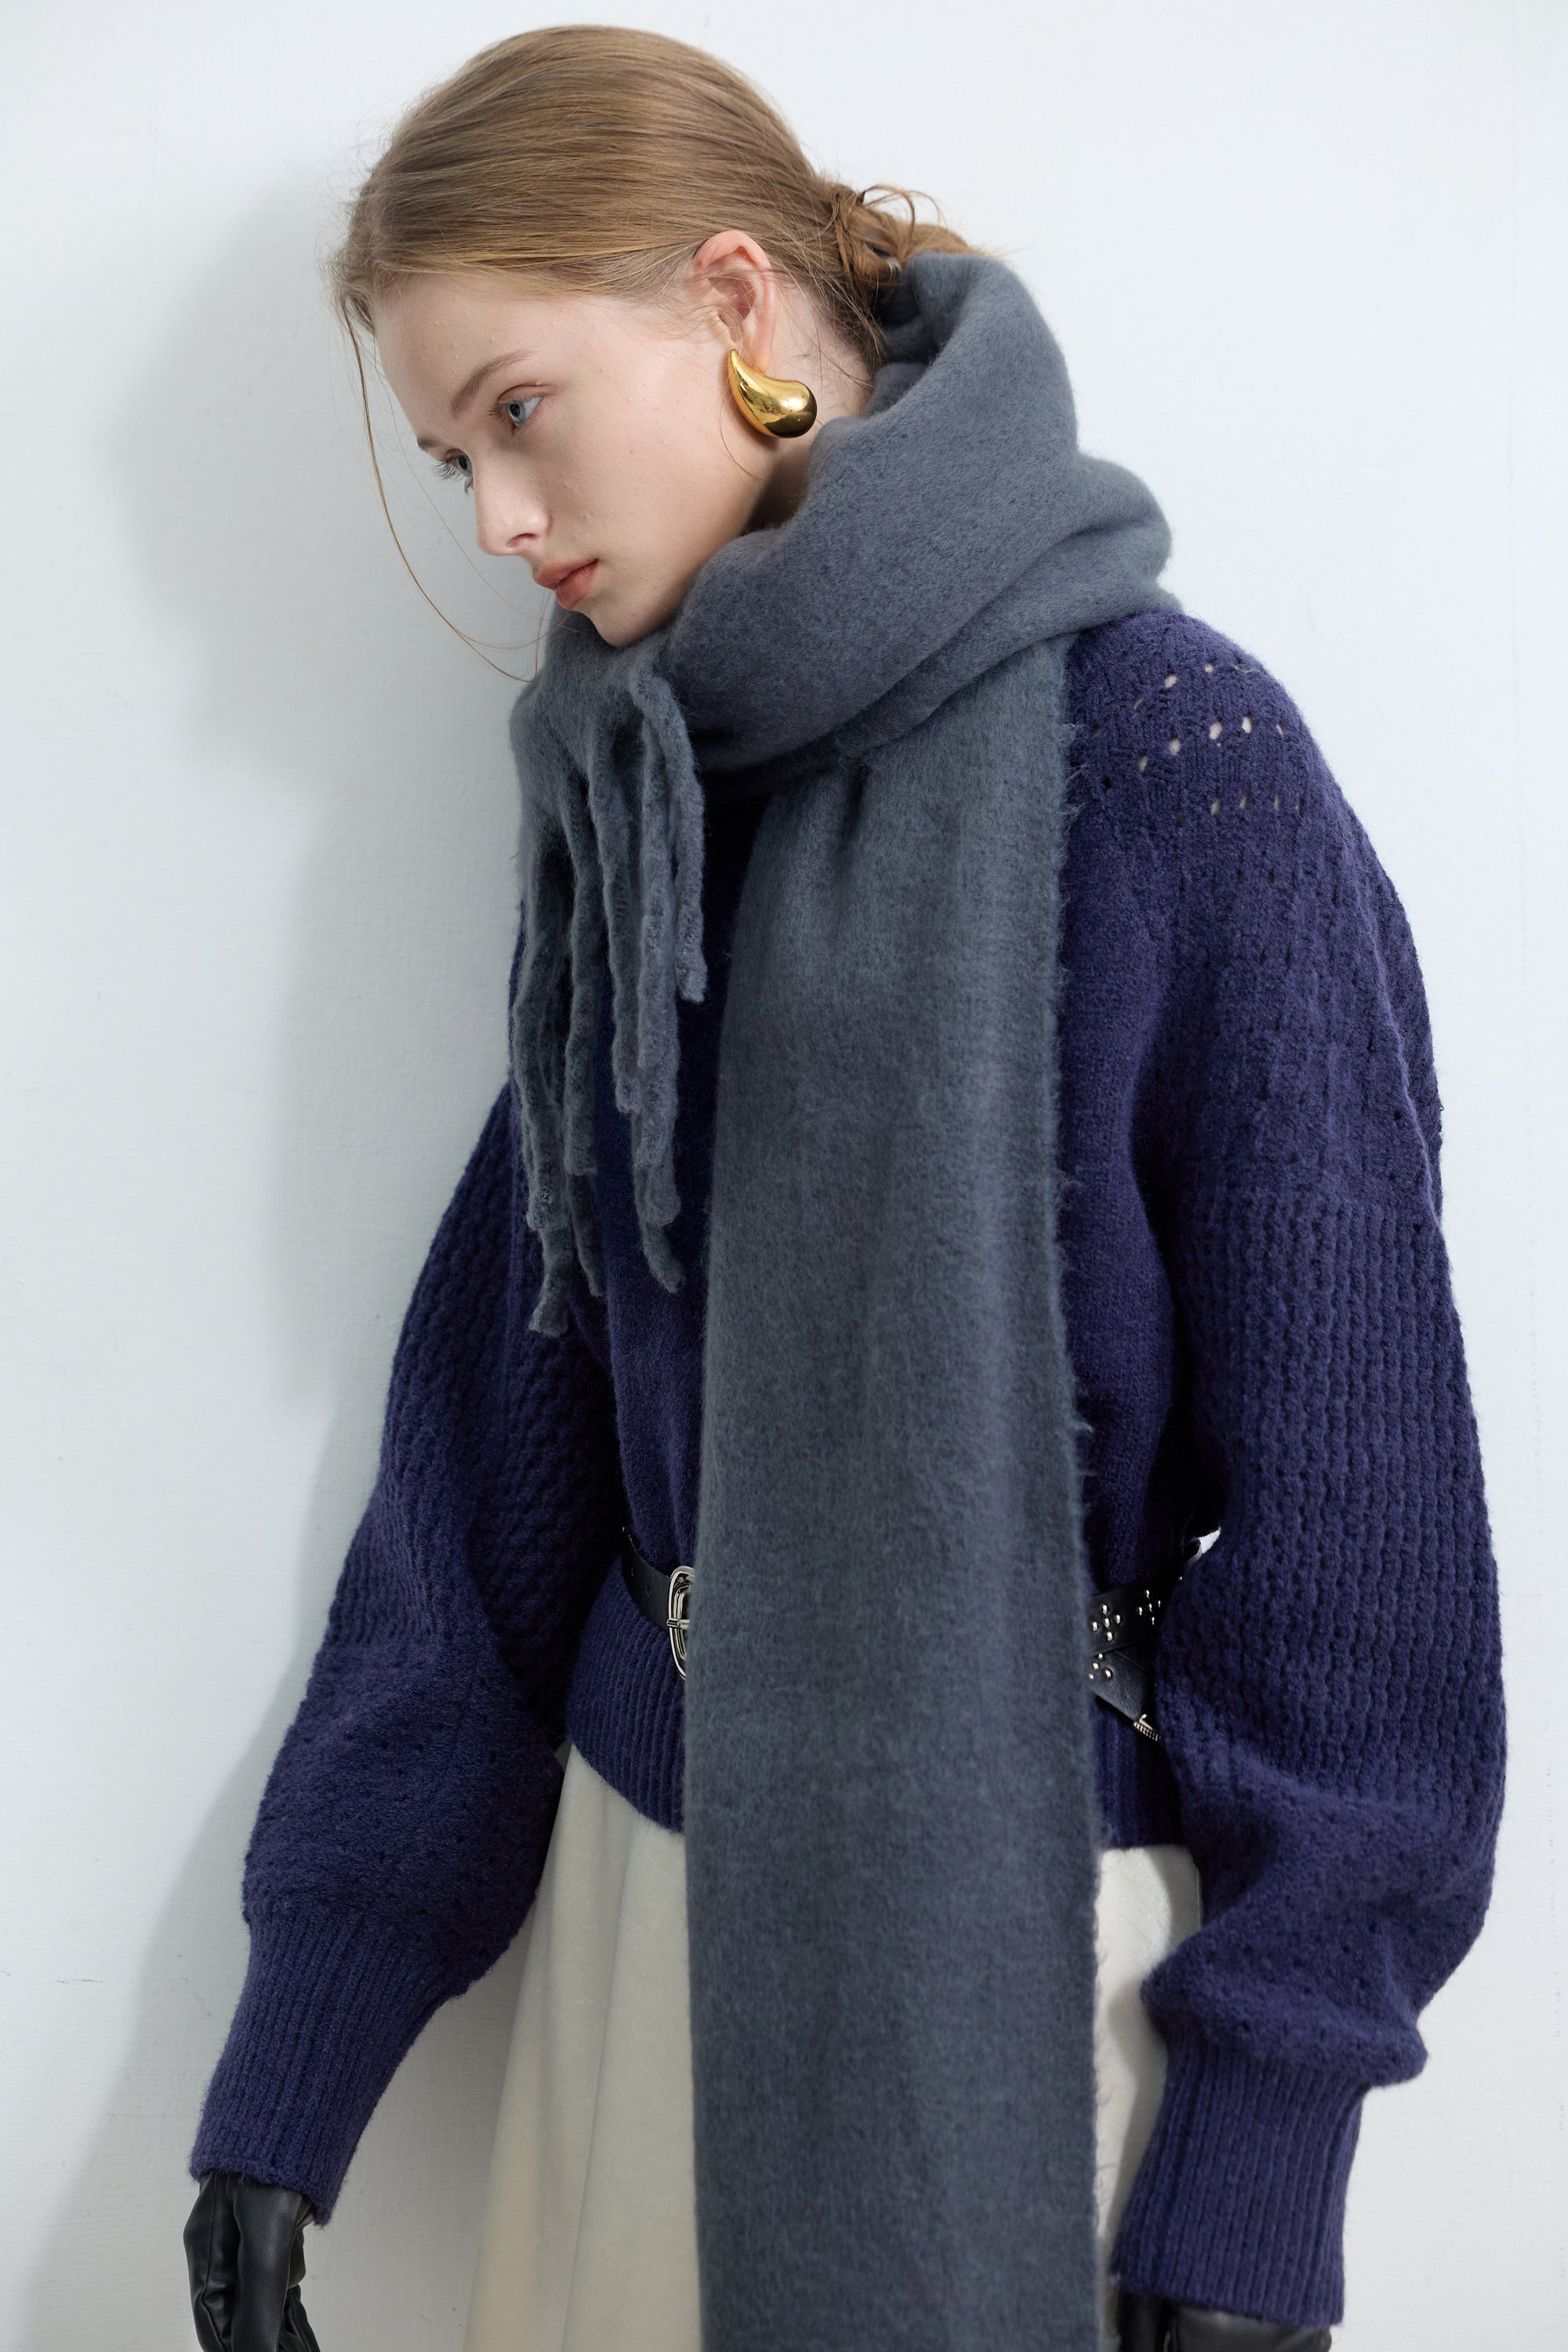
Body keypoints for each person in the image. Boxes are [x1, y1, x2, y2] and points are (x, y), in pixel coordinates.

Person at [181, 25, 1505, 2352]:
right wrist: (307, 2041)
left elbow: (1357, 1515)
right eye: (454, 454)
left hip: (1029, 1962)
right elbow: (495, 1462)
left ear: (732, 300)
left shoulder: (1173, 766)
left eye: (518, 409)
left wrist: (1268, 2138)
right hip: (641, 1925)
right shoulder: (639, 785)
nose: (496, 518)